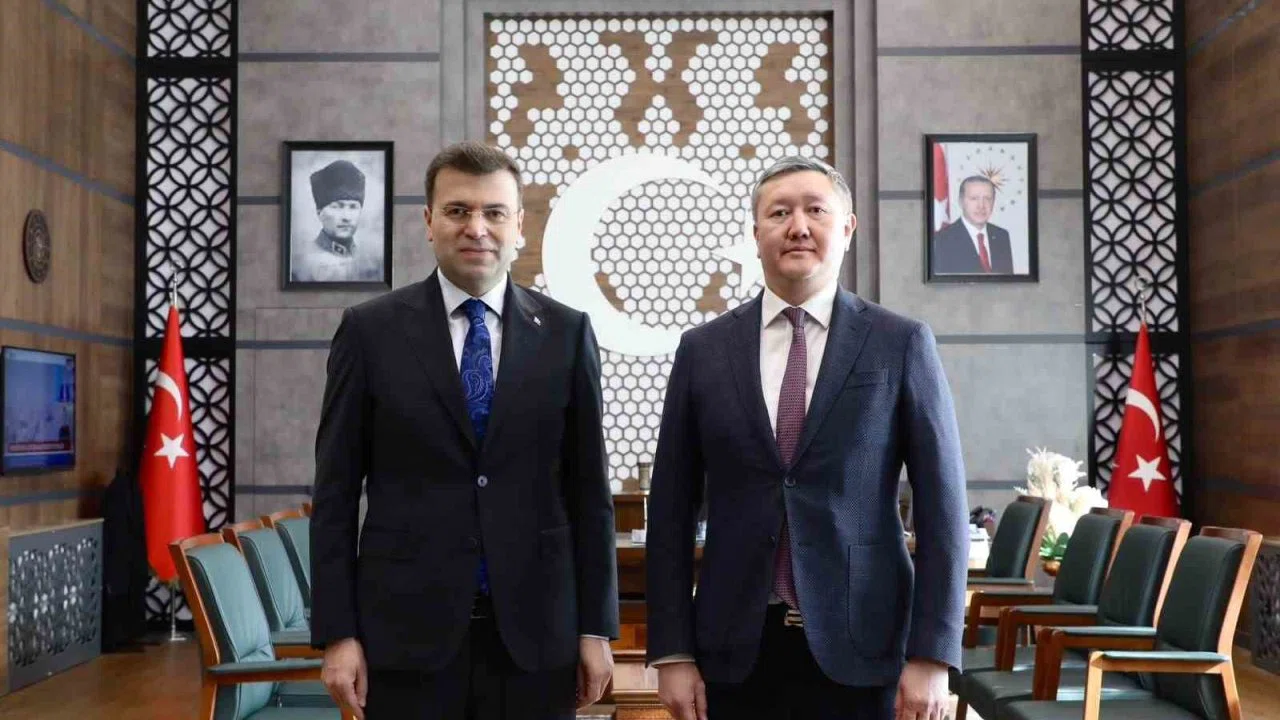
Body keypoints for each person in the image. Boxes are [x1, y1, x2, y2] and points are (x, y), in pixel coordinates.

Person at [646, 156, 968, 720]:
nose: (797, 227)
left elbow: (944, 507)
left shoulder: (900, 343)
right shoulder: (703, 350)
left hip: (865, 645)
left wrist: (932, 656)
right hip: (733, 649)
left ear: (847, 229)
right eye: (779, 213)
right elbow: (671, 509)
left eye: (816, 210)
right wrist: (672, 652)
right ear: (755, 234)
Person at [310, 141, 619, 720]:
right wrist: (338, 634)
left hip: (537, 636)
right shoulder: (369, 332)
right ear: (429, 221)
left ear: (519, 226)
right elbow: (334, 495)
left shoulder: (567, 333)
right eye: (458, 211)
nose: (476, 228)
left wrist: (596, 628)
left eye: (493, 212)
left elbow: (589, 493)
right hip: (404, 636)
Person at [292, 159, 381, 283]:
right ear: (319, 212)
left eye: (353, 207)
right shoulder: (301, 264)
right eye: (337, 206)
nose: (346, 217)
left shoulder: (372, 261)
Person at [931, 175, 1014, 275]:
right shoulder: (942, 240)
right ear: (961, 201)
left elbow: (1007, 281)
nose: (981, 206)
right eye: (974, 198)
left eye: (987, 198)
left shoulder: (1002, 236)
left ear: (993, 202)